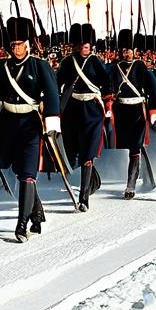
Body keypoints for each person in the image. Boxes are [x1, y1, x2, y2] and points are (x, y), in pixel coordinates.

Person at [0, 17, 60, 242]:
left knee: (27, 173)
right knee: (14, 169)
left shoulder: (40, 65)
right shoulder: (1, 69)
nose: (15, 48)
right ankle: (36, 211)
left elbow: (52, 95)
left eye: (19, 43)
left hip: (31, 124)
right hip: (7, 124)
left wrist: (52, 123)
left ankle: (22, 223)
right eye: (12, 44)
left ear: (28, 44)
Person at [56, 23, 111, 212]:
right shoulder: (67, 62)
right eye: (79, 45)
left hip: (93, 111)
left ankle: (84, 198)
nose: (82, 48)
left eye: (85, 45)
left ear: (91, 46)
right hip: (72, 110)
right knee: (74, 150)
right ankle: (92, 179)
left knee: (88, 153)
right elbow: (57, 83)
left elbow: (107, 85)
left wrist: (109, 104)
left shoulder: (96, 62)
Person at [107, 28, 156, 199]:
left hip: (138, 111)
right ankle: (136, 173)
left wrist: (155, 114)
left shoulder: (141, 67)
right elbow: (108, 87)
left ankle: (130, 185)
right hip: (121, 112)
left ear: (135, 51)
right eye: (124, 50)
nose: (127, 53)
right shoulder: (114, 68)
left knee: (135, 148)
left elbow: (154, 90)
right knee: (128, 146)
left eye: (130, 50)